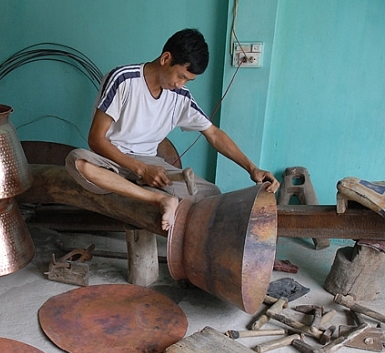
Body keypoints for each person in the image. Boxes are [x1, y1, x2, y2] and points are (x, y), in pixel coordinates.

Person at [65, 28, 279, 231]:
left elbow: (213, 134)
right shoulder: (123, 79)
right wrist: (140, 169)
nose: (181, 84)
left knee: (211, 195)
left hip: (150, 161)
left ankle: (151, 191)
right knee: (77, 161)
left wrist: (252, 168)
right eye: (181, 76)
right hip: (111, 159)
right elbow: (96, 140)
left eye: (187, 80)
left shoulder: (180, 97)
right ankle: (159, 198)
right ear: (165, 58)